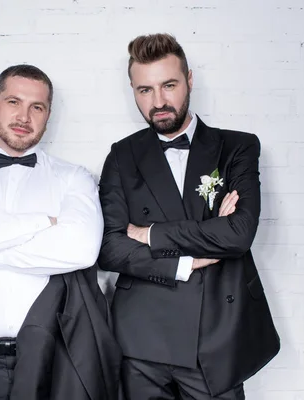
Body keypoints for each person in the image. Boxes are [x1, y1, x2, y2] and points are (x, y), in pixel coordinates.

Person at [98, 33, 280, 399]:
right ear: (132, 90)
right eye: (144, 90)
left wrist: (148, 234)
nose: (159, 101)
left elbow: (238, 234)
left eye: (169, 85)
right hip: (140, 340)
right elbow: (108, 247)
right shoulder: (122, 155)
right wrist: (186, 261)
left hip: (215, 335)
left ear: (190, 80)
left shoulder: (237, 147)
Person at [0, 64, 120, 400]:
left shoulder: (74, 178)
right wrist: (41, 222)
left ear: (48, 115)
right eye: (13, 102)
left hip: (54, 360)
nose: (24, 116)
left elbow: (83, 250)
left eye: (37, 107)